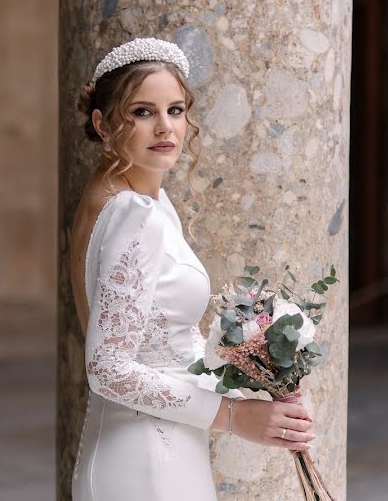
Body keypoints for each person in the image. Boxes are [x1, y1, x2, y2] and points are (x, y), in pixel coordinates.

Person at [68, 38, 316, 500]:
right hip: (146, 459)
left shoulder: (142, 199)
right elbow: (107, 367)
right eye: (142, 112)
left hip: (155, 442)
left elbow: (161, 341)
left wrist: (259, 371)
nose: (165, 127)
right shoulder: (134, 215)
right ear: (102, 124)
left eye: (176, 110)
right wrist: (233, 416)